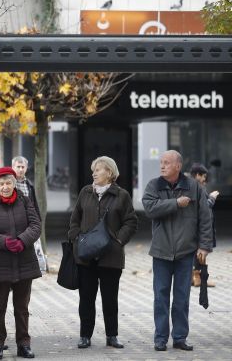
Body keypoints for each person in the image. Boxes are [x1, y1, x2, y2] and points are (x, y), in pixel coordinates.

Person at [142, 150, 213, 352]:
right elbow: (149, 208)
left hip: (186, 252)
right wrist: (175, 203)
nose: (162, 166)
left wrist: (204, 246)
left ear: (178, 166)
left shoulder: (193, 187)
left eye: (167, 162)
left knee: (182, 298)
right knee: (160, 297)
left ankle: (180, 337)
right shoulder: (154, 185)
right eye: (161, 162)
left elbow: (205, 218)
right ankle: (160, 338)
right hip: (161, 251)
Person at [68, 156, 138, 349]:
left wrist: (118, 240)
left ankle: (112, 335)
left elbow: (131, 221)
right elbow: (75, 219)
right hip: (86, 256)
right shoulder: (85, 192)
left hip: (111, 257)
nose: (94, 173)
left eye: (98, 170)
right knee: (87, 299)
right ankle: (85, 335)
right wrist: (77, 238)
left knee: (110, 299)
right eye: (93, 170)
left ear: (109, 172)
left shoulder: (121, 195)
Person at [0, 167, 42, 360]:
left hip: (24, 261)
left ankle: (24, 344)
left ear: (14, 183)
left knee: (22, 308)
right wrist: (5, 242)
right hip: (0, 263)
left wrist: (22, 240)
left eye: (8, 183)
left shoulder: (25, 200)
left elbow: (36, 225)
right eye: (1, 184)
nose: (5, 187)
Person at [189, 163, 218, 287]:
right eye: (203, 176)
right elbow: (203, 207)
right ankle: (198, 277)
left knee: (197, 250)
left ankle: (194, 277)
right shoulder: (195, 188)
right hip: (199, 226)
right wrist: (212, 198)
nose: (204, 179)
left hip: (197, 226)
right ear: (197, 175)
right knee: (200, 250)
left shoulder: (194, 186)